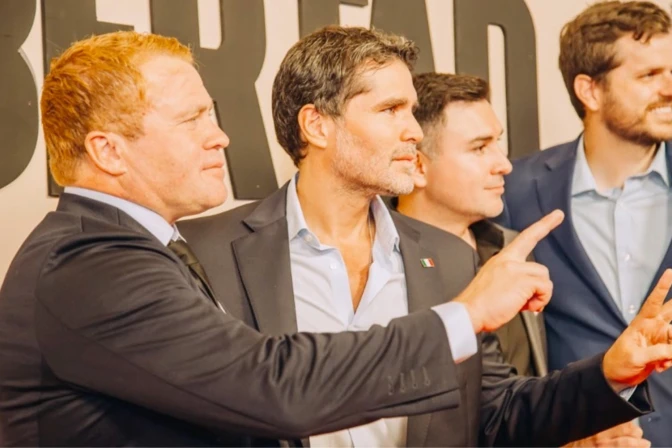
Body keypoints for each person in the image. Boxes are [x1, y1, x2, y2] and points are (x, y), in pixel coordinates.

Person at [0, 30, 564, 447]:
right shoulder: (92, 261)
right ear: (108, 151)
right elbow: (273, 385)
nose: (220, 137)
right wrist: (465, 315)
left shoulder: (129, 248)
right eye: (192, 119)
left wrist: (603, 377)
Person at [179, 25, 669, 447]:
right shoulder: (206, 253)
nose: (413, 131)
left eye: (411, 110)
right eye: (390, 109)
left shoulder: (450, 258)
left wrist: (608, 372)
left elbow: (496, 415)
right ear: (317, 125)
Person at [396, 71, 648, 447]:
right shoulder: (378, 266)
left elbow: (507, 409)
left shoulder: (510, 250)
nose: (504, 164)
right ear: (418, 165)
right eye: (479, 148)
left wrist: (576, 439)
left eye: (497, 143)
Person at [495, 2, 672, 445]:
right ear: (589, 91)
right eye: (649, 75)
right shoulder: (515, 193)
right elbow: (506, 356)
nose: (669, 87)